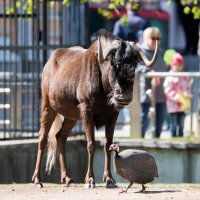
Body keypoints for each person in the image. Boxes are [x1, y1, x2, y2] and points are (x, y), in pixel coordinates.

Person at [137, 27, 167, 138]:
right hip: (146, 92)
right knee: (144, 121)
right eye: (153, 38)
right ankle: (140, 142)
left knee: (160, 122)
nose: (156, 40)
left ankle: (158, 141)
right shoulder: (140, 51)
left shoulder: (160, 52)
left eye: (158, 38)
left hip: (160, 93)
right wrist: (149, 71)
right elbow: (135, 68)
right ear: (146, 38)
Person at [163, 53, 191, 137]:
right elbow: (167, 90)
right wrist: (177, 97)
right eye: (176, 65)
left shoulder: (185, 76)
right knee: (174, 124)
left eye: (180, 65)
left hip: (183, 105)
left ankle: (181, 137)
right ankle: (173, 137)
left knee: (181, 124)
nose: (178, 67)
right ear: (172, 65)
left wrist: (186, 95)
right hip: (173, 105)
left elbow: (188, 87)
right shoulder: (169, 76)